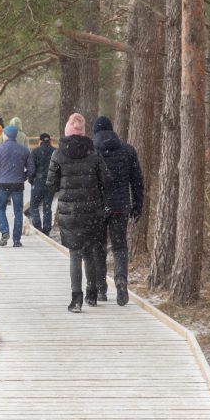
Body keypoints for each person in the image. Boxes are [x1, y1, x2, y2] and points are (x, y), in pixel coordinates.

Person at [46, 113, 111, 313]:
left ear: (67, 130)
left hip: (69, 211)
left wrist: (65, 186)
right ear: (84, 132)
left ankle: (76, 299)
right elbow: (106, 180)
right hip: (92, 210)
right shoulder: (94, 153)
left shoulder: (58, 154)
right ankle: (92, 292)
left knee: (75, 254)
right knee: (90, 251)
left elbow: (51, 184)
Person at [91, 116, 144, 306]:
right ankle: (121, 280)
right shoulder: (128, 150)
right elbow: (137, 180)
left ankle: (100, 288)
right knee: (120, 246)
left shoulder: (91, 150)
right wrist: (138, 204)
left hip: (97, 206)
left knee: (99, 247)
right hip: (120, 206)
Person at [0, 125, 34, 247]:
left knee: (1, 209)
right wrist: (24, 177)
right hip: (18, 184)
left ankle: (4, 231)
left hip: (2, 184)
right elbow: (31, 169)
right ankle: (17, 240)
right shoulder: (24, 150)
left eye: (3, 133)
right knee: (18, 211)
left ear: (6, 135)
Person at [29, 133, 55, 235]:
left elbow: (32, 168)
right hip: (50, 183)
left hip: (38, 182)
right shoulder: (55, 152)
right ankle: (47, 230)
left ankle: (37, 226)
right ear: (50, 141)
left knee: (34, 206)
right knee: (47, 206)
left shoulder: (35, 152)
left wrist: (31, 180)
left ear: (40, 141)